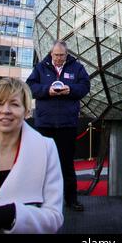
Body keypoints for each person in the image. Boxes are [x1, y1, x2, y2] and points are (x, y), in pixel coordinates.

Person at [0, 77, 64, 234]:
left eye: (15, 104)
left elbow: (54, 217)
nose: (6, 110)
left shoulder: (46, 148)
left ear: (27, 112)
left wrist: (13, 215)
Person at [26, 40, 90, 212]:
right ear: (51, 53)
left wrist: (71, 90)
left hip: (67, 123)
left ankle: (71, 200)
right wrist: (47, 90)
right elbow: (30, 86)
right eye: (56, 55)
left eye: (62, 55)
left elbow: (85, 86)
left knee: (67, 163)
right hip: (45, 123)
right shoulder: (41, 67)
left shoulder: (77, 68)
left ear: (66, 54)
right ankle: (39, 200)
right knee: (42, 163)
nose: (59, 58)